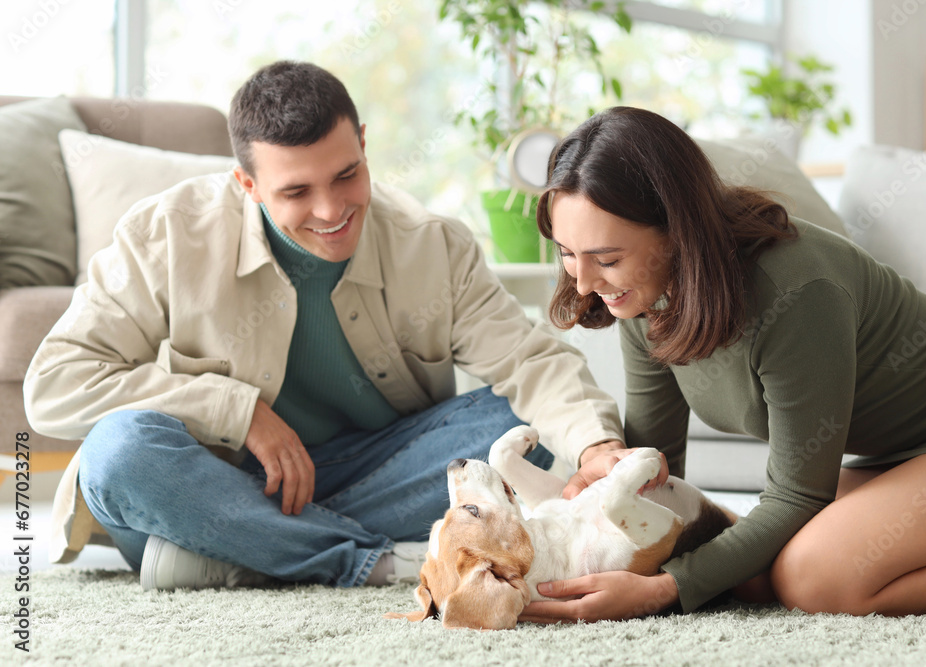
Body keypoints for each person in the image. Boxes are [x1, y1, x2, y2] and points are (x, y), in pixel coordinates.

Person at [23, 61, 639, 591]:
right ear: (248, 185)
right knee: (117, 454)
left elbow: (528, 361)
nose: (331, 210)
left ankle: (241, 552)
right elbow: (54, 384)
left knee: (520, 427)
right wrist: (236, 411)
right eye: (296, 191)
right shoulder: (164, 234)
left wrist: (596, 447)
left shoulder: (431, 244)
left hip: (376, 473)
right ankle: (372, 561)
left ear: (364, 144)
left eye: (346, 174)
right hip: (217, 481)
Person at [518, 106, 926, 622]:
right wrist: (597, 506)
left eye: (607, 259)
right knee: (746, 570)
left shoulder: (795, 289)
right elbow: (655, 469)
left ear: (676, 231)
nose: (585, 282)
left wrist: (665, 590)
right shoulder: (643, 297)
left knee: (814, 578)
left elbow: (798, 495)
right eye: (568, 253)